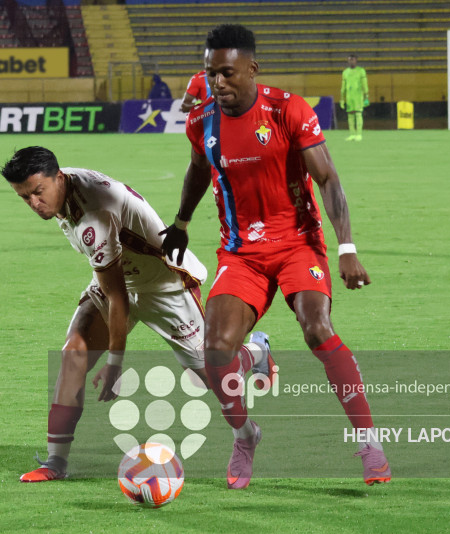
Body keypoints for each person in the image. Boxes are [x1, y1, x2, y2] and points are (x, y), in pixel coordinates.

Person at [160, 24, 390, 489]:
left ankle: (369, 442)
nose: (217, 83)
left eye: (226, 73)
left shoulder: (288, 110)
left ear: (251, 69)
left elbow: (327, 178)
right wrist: (180, 224)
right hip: (241, 253)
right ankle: (246, 436)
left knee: (317, 328)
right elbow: (198, 170)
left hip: (297, 243)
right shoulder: (202, 121)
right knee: (215, 351)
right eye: (210, 74)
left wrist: (347, 248)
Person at [0, 146, 273, 482]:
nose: (34, 204)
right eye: (24, 197)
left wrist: (114, 364)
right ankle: (55, 463)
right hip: (118, 276)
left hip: (165, 287)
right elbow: (114, 287)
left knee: (213, 376)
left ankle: (255, 375)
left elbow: (118, 299)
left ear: (58, 178)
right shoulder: (61, 182)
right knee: (73, 353)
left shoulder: (94, 216)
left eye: (38, 193)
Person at [340, 54, 369, 142]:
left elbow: (364, 84)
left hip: (358, 96)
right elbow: (343, 86)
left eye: (352, 60)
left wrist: (366, 96)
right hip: (349, 97)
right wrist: (342, 98)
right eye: (349, 60)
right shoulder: (345, 72)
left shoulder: (361, 71)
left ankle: (359, 134)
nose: (351, 61)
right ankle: (352, 134)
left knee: (358, 114)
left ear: (356, 60)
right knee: (350, 115)